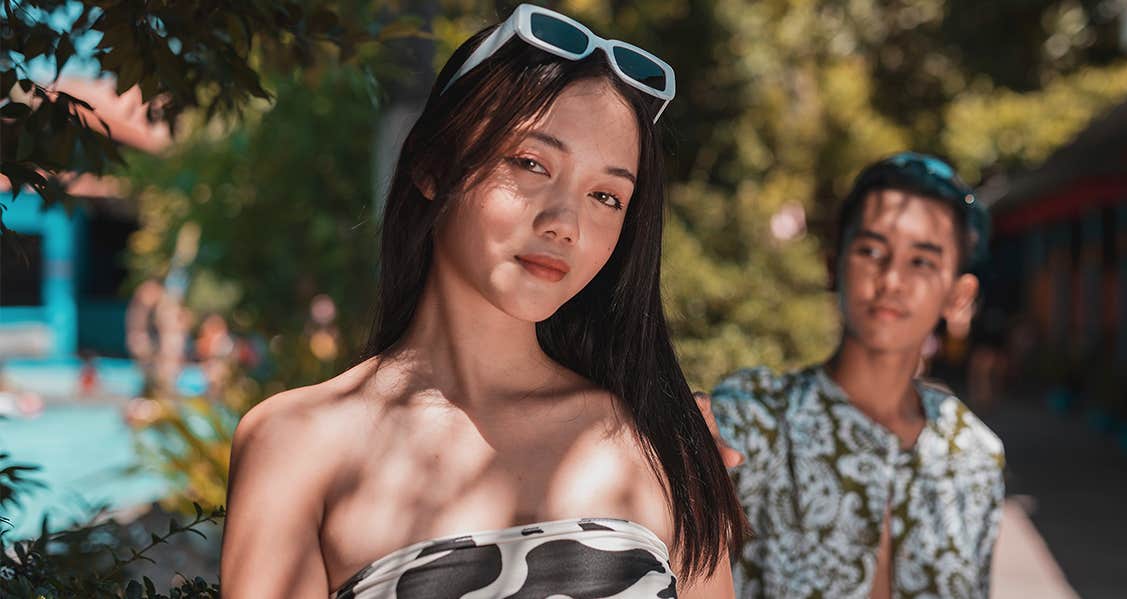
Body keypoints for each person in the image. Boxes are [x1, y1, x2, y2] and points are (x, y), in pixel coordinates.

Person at [221, 4, 745, 598]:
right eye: (530, 163)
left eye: (606, 196)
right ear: (432, 166)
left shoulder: (661, 441)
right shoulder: (296, 441)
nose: (565, 223)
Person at [703, 153, 1005, 598]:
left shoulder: (975, 455)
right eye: (871, 250)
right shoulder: (757, 420)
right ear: (833, 264)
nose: (891, 280)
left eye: (921, 262)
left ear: (958, 297)